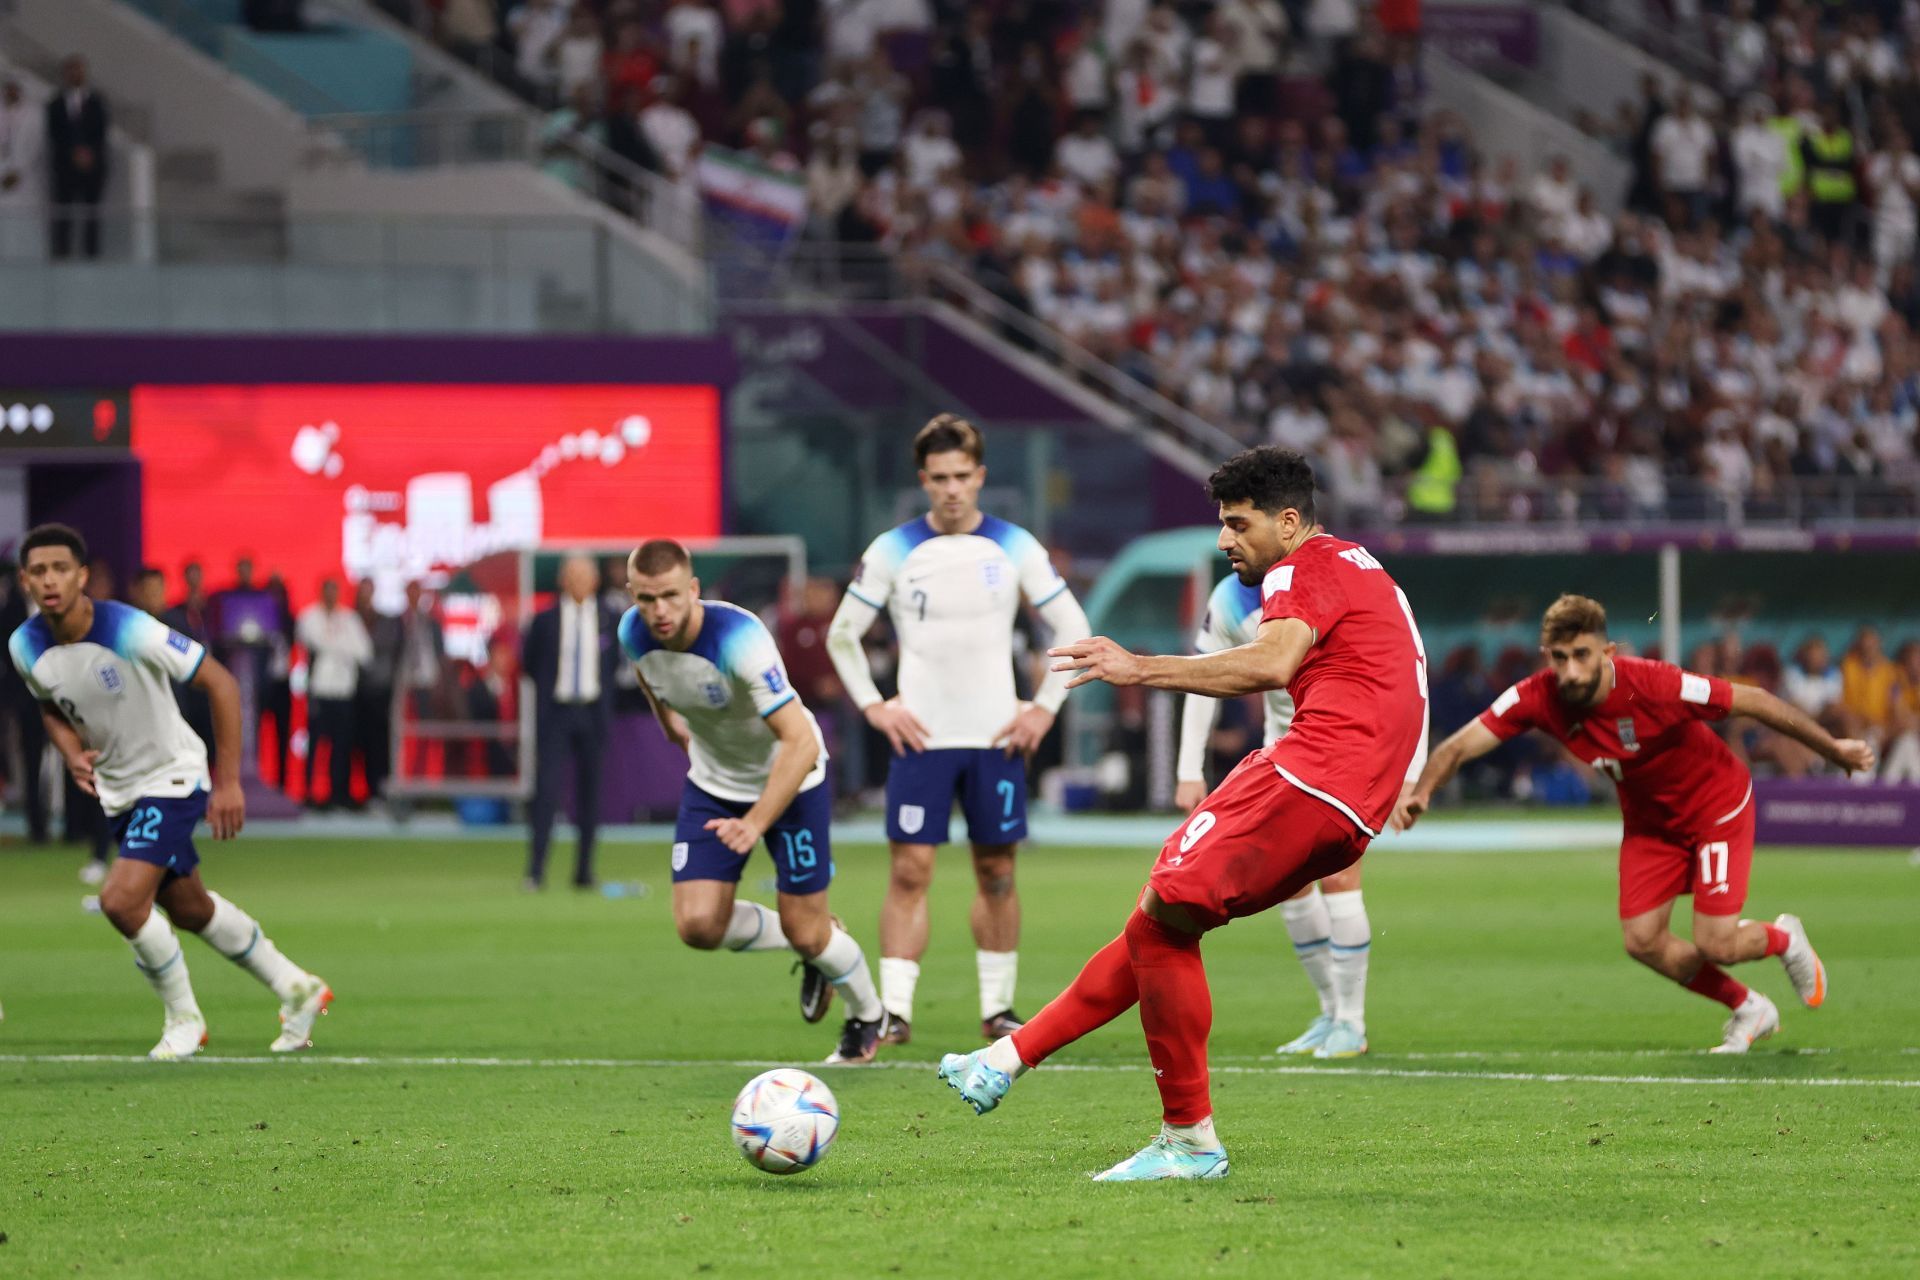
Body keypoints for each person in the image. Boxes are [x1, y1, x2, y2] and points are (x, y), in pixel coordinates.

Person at [938, 447, 1429, 1181]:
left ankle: (1190, 1140)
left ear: (1289, 523)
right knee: (1159, 920)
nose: (1225, 540)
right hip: (1350, 797)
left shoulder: (1301, 568)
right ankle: (1005, 1058)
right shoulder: (1361, 565)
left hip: (1313, 774)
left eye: (1238, 524)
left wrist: (1138, 667)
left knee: (1167, 909)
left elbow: (1270, 664)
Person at [1397, 594, 1874, 1054]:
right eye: (1559, 658)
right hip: (1651, 825)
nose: (1570, 670)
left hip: (1715, 806)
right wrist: (1421, 792)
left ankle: (1784, 938)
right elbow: (1460, 744)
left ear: (1607, 652)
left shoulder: (1654, 684)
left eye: (1581, 655)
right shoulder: (1537, 696)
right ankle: (1749, 1007)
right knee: (1643, 941)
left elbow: (1755, 700)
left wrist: (1834, 748)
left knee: (1717, 942)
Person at [8, 524, 331, 1060]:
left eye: (61, 568)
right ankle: (297, 987)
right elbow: (49, 703)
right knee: (189, 907)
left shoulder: (131, 629)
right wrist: (69, 751)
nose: (50, 580)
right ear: (25, 580)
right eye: (38, 571)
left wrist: (226, 782)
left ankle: (185, 1019)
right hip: (119, 790)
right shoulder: (25, 645)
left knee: (120, 901)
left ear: (82, 576)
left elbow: (222, 683)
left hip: (172, 778)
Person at [826, 414, 1091, 1046]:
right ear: (924, 480)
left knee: (997, 872)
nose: (951, 489)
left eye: (962, 477)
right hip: (922, 737)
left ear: (980, 476)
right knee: (910, 871)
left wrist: (1043, 708)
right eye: (939, 478)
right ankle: (893, 1012)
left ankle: (998, 1010)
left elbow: (1073, 627)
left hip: (996, 736)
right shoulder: (893, 549)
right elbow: (842, 635)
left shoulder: (1015, 546)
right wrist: (874, 706)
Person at [623, 538, 887, 1065]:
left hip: (792, 781)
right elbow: (655, 686)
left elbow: (802, 741)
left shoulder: (740, 638)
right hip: (716, 783)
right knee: (697, 927)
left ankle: (866, 1017)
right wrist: (681, 738)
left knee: (807, 931)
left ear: (693, 590)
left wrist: (754, 822)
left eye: (671, 596)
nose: (660, 611)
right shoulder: (633, 632)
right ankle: (810, 940)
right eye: (647, 599)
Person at [1174, 564, 1418, 1060]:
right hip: (1283, 751)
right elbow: (1206, 676)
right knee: (1291, 888)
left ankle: (1352, 1022)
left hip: (1347, 751)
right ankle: (1331, 1013)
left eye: (1239, 525)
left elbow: (1410, 666)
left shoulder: (1333, 580)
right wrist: (1187, 767)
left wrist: (1410, 768)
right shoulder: (1228, 600)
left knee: (1341, 879)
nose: (1231, 542)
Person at [522, 555, 620, 889]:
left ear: (594, 581)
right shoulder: (544, 620)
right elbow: (531, 664)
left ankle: (584, 872)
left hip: (592, 713)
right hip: (557, 714)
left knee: (591, 795)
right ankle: (535, 871)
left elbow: (615, 666)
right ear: (563, 580)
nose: (578, 583)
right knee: (546, 792)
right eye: (572, 576)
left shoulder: (609, 618)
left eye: (584, 576)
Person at [296, 578, 372, 810]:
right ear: (321, 592)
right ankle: (309, 791)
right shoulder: (309, 616)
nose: (330, 595)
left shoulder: (349, 618)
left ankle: (337, 793)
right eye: (327, 590)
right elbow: (314, 641)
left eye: (334, 590)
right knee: (316, 744)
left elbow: (365, 653)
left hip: (343, 691)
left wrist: (336, 645)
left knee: (342, 745)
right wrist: (342, 645)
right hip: (320, 690)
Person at [45, 55, 107, 260]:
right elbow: (55, 135)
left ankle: (92, 255)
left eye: (79, 70)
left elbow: (100, 133)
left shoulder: (97, 102)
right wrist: (73, 153)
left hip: (92, 168)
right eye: (71, 70)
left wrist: (89, 154)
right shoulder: (56, 104)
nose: (75, 74)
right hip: (65, 169)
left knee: (91, 215)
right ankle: (62, 255)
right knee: (64, 215)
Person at [0, 76, 46, 263]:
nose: (11, 93)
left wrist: (18, 171)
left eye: (14, 89)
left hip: (25, 179)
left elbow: (35, 147)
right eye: (8, 89)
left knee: (24, 223)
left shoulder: (34, 116)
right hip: (2, 176)